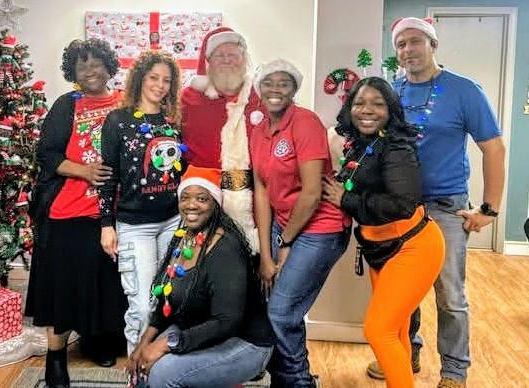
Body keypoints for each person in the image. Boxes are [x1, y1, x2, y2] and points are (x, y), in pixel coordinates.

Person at [365, 17, 506, 388]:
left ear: (433, 45)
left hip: (445, 206)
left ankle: (454, 370)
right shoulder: (391, 92)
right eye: (401, 45)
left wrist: (488, 209)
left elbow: (493, 147)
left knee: (450, 293)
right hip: (399, 208)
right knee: (400, 289)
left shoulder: (464, 90)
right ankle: (405, 351)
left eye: (415, 42)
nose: (408, 50)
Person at [324, 76, 445, 388]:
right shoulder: (360, 143)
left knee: (378, 330)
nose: (368, 110)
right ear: (350, 106)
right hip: (380, 249)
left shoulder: (396, 146)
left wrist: (346, 199)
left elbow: (402, 204)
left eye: (378, 104)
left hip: (413, 246)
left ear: (391, 110)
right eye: (360, 102)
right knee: (397, 330)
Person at [25, 38, 127, 387]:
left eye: (96, 63)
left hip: (111, 213)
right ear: (73, 72)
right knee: (63, 287)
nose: (90, 71)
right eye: (82, 65)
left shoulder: (126, 103)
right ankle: (56, 359)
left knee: (103, 282)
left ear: (109, 66)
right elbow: (48, 154)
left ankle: (98, 338)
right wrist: (84, 171)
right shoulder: (66, 105)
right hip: (67, 211)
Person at [127, 165, 275, 387]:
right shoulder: (184, 238)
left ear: (215, 204)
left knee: (162, 375)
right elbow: (166, 300)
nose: (191, 205)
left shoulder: (225, 249)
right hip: (197, 328)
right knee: (141, 370)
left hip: (245, 342)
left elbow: (227, 322)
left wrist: (167, 344)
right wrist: (144, 343)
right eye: (184, 197)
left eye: (202, 198)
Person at [250, 59, 349, 387]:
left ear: (294, 90)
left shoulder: (305, 123)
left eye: (284, 83)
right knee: (279, 309)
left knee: (281, 312)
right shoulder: (259, 129)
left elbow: (311, 192)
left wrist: (286, 243)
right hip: (284, 225)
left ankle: (297, 381)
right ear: (259, 89)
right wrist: (266, 254)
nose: (275, 89)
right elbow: (261, 191)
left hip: (320, 228)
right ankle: (287, 377)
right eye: (269, 83)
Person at [99, 50, 185, 355]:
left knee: (168, 302)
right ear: (140, 79)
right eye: (154, 78)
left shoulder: (172, 122)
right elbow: (107, 176)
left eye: (166, 80)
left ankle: (161, 369)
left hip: (173, 222)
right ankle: (137, 374)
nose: (160, 85)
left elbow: (181, 170)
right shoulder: (117, 121)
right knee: (142, 306)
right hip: (135, 226)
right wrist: (106, 225)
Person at [181, 27, 262, 252]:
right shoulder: (189, 100)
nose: (227, 60)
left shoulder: (260, 97)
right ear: (208, 62)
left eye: (233, 55)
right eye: (219, 55)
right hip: (202, 202)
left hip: (255, 202)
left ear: (244, 59)